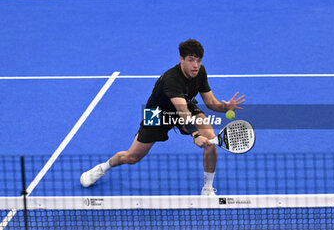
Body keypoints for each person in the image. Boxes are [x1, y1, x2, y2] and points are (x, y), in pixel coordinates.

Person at [80, 39, 245, 195]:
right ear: (181, 59)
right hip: (158, 114)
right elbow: (182, 112)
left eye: (199, 60)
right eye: (191, 60)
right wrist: (195, 135)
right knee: (132, 157)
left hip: (184, 106)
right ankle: (102, 168)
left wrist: (225, 108)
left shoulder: (199, 72)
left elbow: (210, 102)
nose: (195, 65)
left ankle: (208, 188)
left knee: (211, 141)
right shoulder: (171, 80)